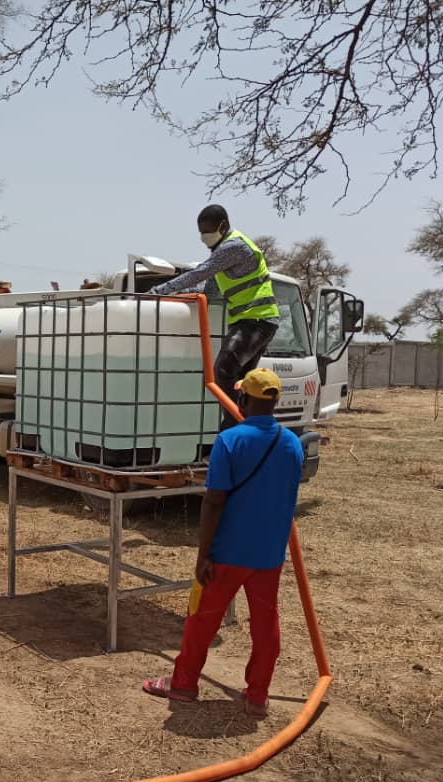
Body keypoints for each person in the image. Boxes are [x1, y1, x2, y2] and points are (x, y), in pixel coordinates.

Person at [141, 369, 303, 717]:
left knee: (201, 620)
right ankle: (258, 695)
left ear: (244, 400)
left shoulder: (230, 441)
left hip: (228, 552)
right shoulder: (292, 444)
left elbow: (214, 501)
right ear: (275, 402)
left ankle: (183, 685)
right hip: (269, 555)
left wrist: (203, 554)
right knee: (265, 623)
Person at [153, 204, 280, 431]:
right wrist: (178, 295)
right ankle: (244, 427)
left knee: (222, 371)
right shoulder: (224, 255)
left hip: (256, 321)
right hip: (256, 322)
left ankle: (234, 427)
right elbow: (207, 287)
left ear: (223, 225)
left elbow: (200, 272)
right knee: (243, 382)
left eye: (208, 230)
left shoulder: (234, 247)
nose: (204, 236)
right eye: (201, 232)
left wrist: (158, 291)